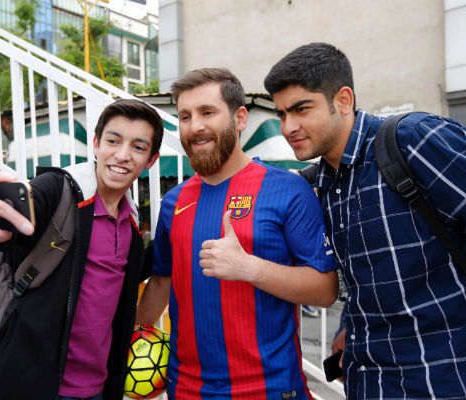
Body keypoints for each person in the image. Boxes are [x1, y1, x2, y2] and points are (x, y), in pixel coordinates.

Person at [263, 42, 466, 400]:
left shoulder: (415, 139)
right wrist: (354, 328)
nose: (288, 127)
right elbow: (375, 273)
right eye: (281, 114)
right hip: (373, 384)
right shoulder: (324, 182)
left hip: (462, 382)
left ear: (343, 100)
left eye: (301, 109)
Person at [0, 99, 163, 400]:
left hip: (99, 388)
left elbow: (119, 277)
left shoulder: (130, 221)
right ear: (96, 144)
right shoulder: (58, 190)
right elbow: (4, 217)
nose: (122, 155)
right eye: (113, 141)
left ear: (151, 160)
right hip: (32, 384)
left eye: (138, 147)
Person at [135, 68, 338, 399]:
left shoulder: (288, 189)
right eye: (185, 116)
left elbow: (326, 289)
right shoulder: (174, 201)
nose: (194, 126)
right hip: (185, 390)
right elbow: (160, 282)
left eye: (207, 112)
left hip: (270, 390)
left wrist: (249, 268)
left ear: (240, 118)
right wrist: (129, 342)